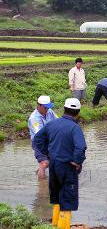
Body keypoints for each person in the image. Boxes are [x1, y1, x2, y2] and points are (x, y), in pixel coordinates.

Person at [33, 98, 86, 229]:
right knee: (67, 199)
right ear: (77, 112)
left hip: (54, 165)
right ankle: (63, 227)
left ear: (64, 109)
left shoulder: (52, 124)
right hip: (67, 166)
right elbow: (81, 147)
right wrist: (77, 162)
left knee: (57, 196)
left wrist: (48, 153)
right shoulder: (75, 128)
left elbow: (38, 139)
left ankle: (55, 224)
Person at [28, 95, 58, 178]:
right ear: (39, 105)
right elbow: (40, 135)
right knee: (44, 163)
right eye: (45, 107)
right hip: (39, 142)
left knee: (54, 161)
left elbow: (57, 122)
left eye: (48, 107)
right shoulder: (34, 118)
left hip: (50, 140)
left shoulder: (50, 111)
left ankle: (39, 173)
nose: (47, 109)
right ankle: (42, 188)